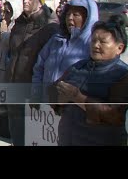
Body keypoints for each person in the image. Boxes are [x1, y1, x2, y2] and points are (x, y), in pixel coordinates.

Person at [52, 15, 128, 146]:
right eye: (93, 40)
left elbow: (115, 115)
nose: (96, 45)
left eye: (103, 42)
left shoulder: (122, 74)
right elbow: (53, 92)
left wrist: (77, 97)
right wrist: (59, 99)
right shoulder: (78, 67)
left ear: (119, 48)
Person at [6, 0, 59, 146]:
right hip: (13, 87)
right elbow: (11, 53)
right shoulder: (18, 24)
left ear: (41, 3)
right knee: (16, 132)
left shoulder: (50, 28)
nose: (25, 1)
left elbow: (49, 63)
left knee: (33, 136)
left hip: (32, 90)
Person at [32, 0, 99, 103]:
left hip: (72, 111)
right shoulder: (56, 40)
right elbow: (39, 68)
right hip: (45, 109)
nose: (70, 18)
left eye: (76, 15)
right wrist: (36, 92)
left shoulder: (93, 45)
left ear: (88, 18)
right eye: (68, 14)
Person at [0, 0, 23, 138]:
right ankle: (1, 128)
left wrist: (4, 33)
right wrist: (0, 28)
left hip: (9, 71)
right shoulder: (4, 24)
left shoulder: (18, 27)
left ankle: (7, 130)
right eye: (4, 11)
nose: (5, 15)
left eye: (8, 12)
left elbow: (12, 43)